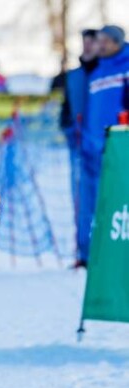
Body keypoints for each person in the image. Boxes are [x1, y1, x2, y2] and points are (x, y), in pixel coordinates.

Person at [77, 25, 129, 268]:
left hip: (118, 146)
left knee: (118, 201)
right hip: (91, 148)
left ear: (117, 42)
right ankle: (90, 254)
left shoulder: (125, 66)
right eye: (99, 41)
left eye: (105, 41)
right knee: (93, 204)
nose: (101, 45)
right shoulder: (97, 71)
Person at [60, 29, 99, 258]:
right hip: (78, 148)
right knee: (80, 200)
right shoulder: (73, 76)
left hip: (102, 147)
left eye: (92, 43)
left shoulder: (105, 72)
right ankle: (82, 252)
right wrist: (68, 130)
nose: (88, 47)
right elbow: (66, 110)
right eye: (85, 42)